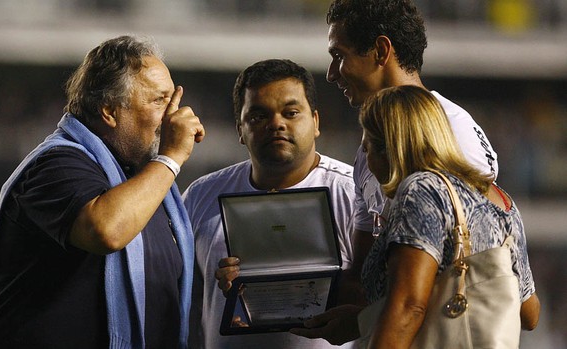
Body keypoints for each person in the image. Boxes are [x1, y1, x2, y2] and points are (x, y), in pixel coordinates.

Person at [0, 35, 205, 349]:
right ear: (109, 111)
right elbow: (106, 230)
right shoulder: (55, 165)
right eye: (159, 101)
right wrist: (170, 158)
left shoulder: (146, 183)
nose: (174, 115)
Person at [291, 0, 502, 344]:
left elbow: (462, 284)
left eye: (339, 55)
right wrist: (261, 285)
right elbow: (362, 280)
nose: (331, 73)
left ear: (380, 50)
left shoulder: (452, 132)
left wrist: (374, 322)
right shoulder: (368, 151)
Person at [182, 59, 358, 349]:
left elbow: (384, 301)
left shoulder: (354, 193)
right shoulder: (201, 195)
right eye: (258, 116)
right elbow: (179, 300)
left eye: (291, 112)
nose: (277, 124)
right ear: (240, 129)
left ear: (315, 122)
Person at [355, 85, 540, 347]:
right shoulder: (501, 200)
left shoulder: (421, 189)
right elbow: (530, 313)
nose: (367, 158)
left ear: (391, 148)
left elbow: (409, 307)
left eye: (367, 148)